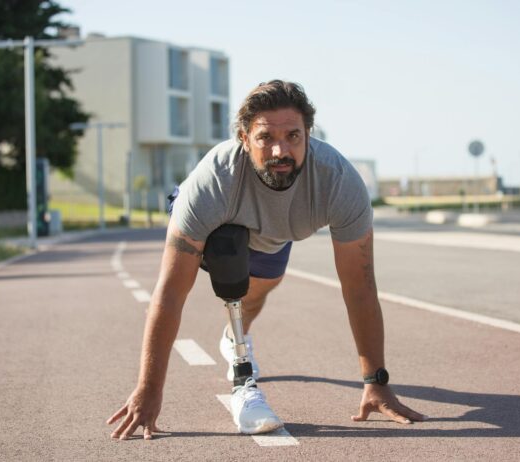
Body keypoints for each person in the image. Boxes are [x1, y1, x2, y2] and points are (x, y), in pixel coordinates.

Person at [107, 80, 426, 440]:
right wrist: (149, 388)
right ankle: (243, 377)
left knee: (258, 292)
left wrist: (376, 381)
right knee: (231, 260)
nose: (281, 150)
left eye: (293, 136)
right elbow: (170, 292)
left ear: (308, 134)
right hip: (224, 226)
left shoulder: (338, 182)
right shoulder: (214, 182)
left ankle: (233, 334)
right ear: (244, 138)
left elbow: (360, 288)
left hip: (276, 235)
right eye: (265, 138)